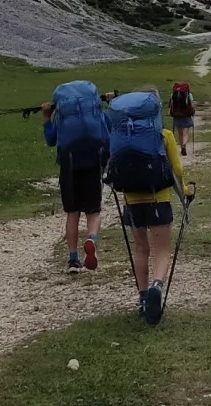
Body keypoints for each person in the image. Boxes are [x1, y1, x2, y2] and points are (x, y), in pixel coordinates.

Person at [105, 89, 190, 323]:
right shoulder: (164, 136)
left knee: (141, 249)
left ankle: (142, 298)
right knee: (161, 249)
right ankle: (156, 286)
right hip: (159, 199)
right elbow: (177, 170)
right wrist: (184, 194)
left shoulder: (120, 135)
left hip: (132, 201)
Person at [43, 80, 108, 273]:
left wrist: (47, 118)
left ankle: (73, 259)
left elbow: (51, 140)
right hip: (92, 163)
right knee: (93, 211)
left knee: (73, 213)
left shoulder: (62, 117)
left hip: (69, 166)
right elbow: (108, 130)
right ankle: (92, 240)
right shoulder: (96, 113)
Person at [168, 81, 196, 157]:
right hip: (186, 115)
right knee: (185, 133)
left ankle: (181, 148)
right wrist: (193, 112)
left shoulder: (173, 94)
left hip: (176, 115)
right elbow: (192, 105)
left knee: (180, 134)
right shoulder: (189, 94)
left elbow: (170, 105)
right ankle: (184, 146)